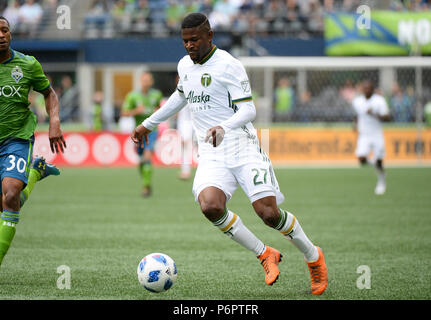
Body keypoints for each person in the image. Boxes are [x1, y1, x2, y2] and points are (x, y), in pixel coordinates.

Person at [131, 13, 328, 294]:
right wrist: (147, 124)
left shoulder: (229, 65)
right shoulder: (185, 65)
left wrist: (223, 126)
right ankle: (264, 254)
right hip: (212, 153)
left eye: (194, 39)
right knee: (210, 206)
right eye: (185, 41)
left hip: (242, 146)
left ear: (209, 35)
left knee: (269, 214)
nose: (189, 46)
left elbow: (249, 110)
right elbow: (180, 96)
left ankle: (313, 257)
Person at [0, 16, 67, 268]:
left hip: (16, 139)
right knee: (7, 202)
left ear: (10, 33)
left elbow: (49, 93)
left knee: (10, 194)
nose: (1, 34)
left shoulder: (27, 65)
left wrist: (54, 122)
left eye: (5, 30)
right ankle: (36, 173)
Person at [122, 72, 163, 197]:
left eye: (148, 80)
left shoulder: (156, 95)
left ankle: (146, 187)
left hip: (152, 131)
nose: (146, 82)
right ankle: (147, 183)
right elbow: (124, 113)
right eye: (144, 80)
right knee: (141, 160)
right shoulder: (132, 96)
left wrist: (158, 112)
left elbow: (159, 109)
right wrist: (136, 111)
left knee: (147, 156)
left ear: (151, 82)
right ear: (141, 81)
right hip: (138, 132)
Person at [352, 80, 390, 195]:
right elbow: (358, 114)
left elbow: (387, 117)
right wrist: (355, 124)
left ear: (373, 89)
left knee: (379, 159)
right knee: (361, 158)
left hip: (377, 134)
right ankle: (378, 165)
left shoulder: (379, 101)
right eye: (365, 88)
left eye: (369, 88)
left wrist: (373, 113)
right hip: (364, 134)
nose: (367, 90)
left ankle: (381, 182)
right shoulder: (357, 101)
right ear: (362, 90)